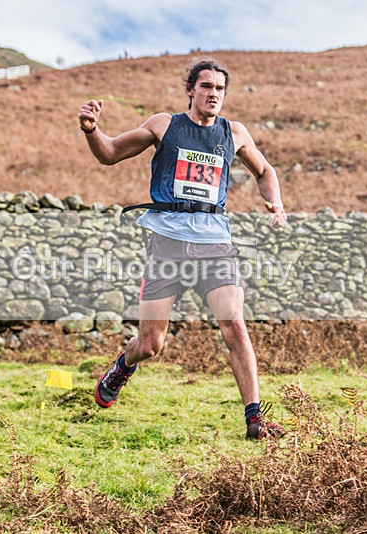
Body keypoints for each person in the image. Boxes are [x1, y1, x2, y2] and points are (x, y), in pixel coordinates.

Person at [78, 58, 287, 440]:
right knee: (151, 343)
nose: (213, 94)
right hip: (168, 243)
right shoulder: (164, 125)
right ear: (190, 90)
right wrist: (92, 129)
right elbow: (108, 153)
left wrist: (274, 200)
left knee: (234, 325)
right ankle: (123, 366)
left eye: (220, 89)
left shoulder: (234, 132)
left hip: (215, 243)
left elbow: (265, 171)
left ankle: (254, 419)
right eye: (206, 86)